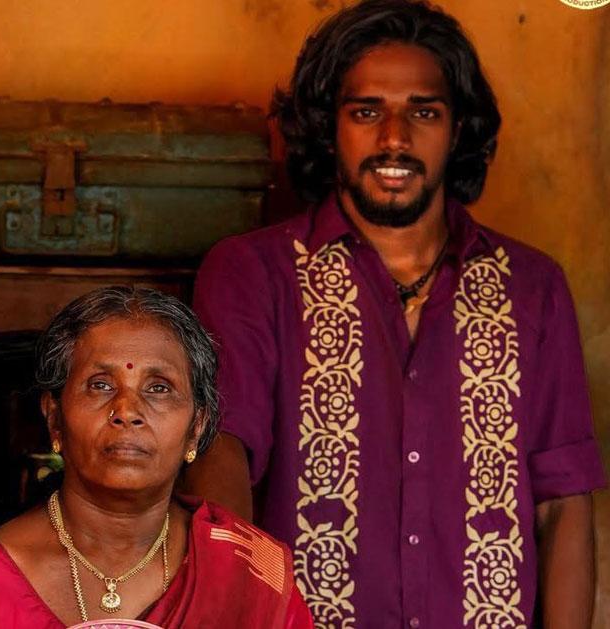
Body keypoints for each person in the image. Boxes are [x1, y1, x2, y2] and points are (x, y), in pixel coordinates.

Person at [186, 1, 606, 627]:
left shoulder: (533, 287)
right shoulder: (253, 274)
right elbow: (222, 455)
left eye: (424, 111)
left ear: (458, 129)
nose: (394, 139)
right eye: (366, 111)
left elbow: (564, 502)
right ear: (328, 127)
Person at [0, 287, 314, 628]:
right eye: (101, 385)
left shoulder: (250, 571)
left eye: (158, 388)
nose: (127, 410)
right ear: (55, 419)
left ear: (196, 427)